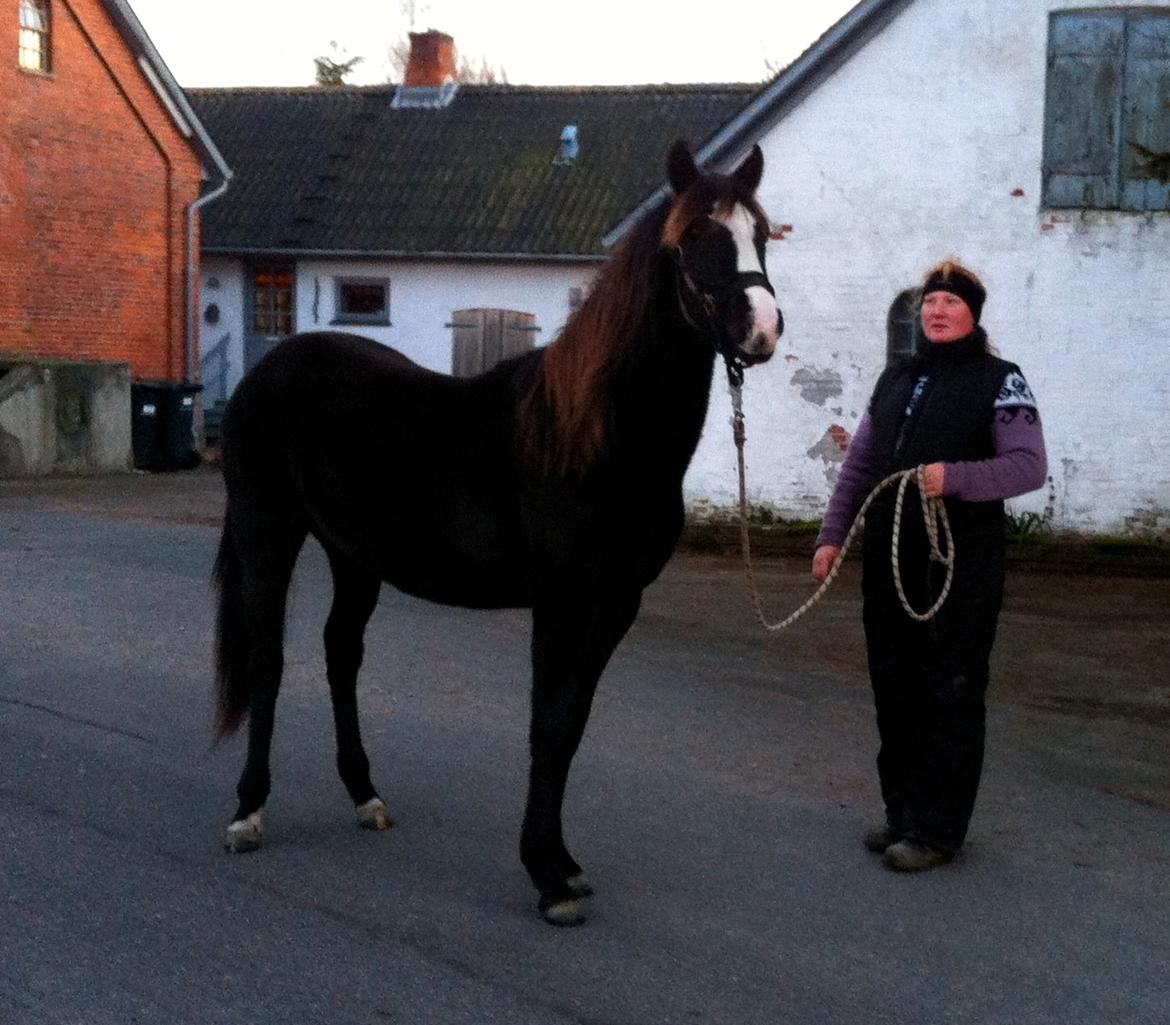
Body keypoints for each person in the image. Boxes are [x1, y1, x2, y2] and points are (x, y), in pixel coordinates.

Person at [812, 261, 1047, 872]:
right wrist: (831, 537)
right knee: (894, 683)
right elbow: (860, 465)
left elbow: (1028, 466)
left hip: (960, 564)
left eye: (950, 302)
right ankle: (902, 813)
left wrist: (958, 478)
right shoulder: (895, 380)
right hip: (890, 559)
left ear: (973, 313)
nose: (937, 311)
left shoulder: (1002, 381)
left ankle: (938, 829)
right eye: (930, 302)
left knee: (950, 688)